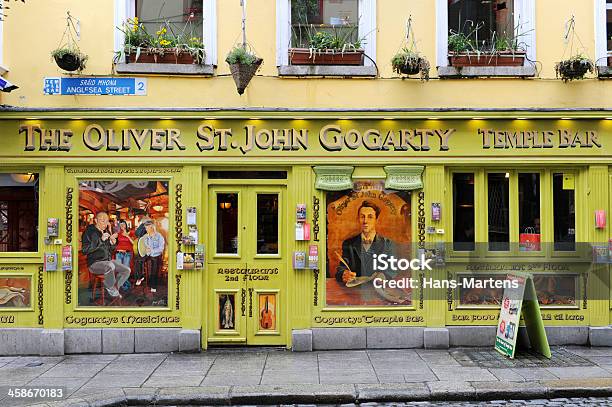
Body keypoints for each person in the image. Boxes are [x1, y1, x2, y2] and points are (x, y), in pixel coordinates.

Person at [335, 200, 394, 284]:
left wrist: (383, 276)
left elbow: (392, 269)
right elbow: (341, 268)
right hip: (354, 291)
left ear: (376, 219)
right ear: (358, 219)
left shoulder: (387, 243)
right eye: (362, 216)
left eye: (370, 217)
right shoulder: (349, 243)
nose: (365, 221)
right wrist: (343, 274)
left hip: (378, 290)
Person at [81, 212, 130, 299]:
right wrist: (101, 240)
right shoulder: (89, 232)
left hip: (107, 261)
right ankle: (110, 287)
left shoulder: (106, 231)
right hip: (94, 264)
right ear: (96, 221)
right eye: (102, 221)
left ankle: (116, 287)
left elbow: (109, 251)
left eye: (107, 221)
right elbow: (85, 250)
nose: (105, 224)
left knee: (126, 270)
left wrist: (112, 243)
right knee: (110, 266)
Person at [141, 219, 165, 294]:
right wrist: (147, 251)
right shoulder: (146, 237)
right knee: (139, 260)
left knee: (154, 270)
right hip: (149, 256)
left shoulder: (159, 236)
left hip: (156, 256)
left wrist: (151, 251)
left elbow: (161, 249)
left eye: (147, 228)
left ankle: (153, 286)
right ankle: (142, 278)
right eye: (145, 228)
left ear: (151, 227)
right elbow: (146, 246)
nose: (146, 229)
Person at [114, 220, 134, 291]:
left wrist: (127, 236)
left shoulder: (131, 232)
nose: (122, 226)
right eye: (121, 224)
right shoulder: (118, 233)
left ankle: (125, 284)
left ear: (126, 225)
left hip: (127, 254)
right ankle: (120, 285)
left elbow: (133, 243)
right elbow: (114, 242)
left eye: (123, 224)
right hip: (118, 253)